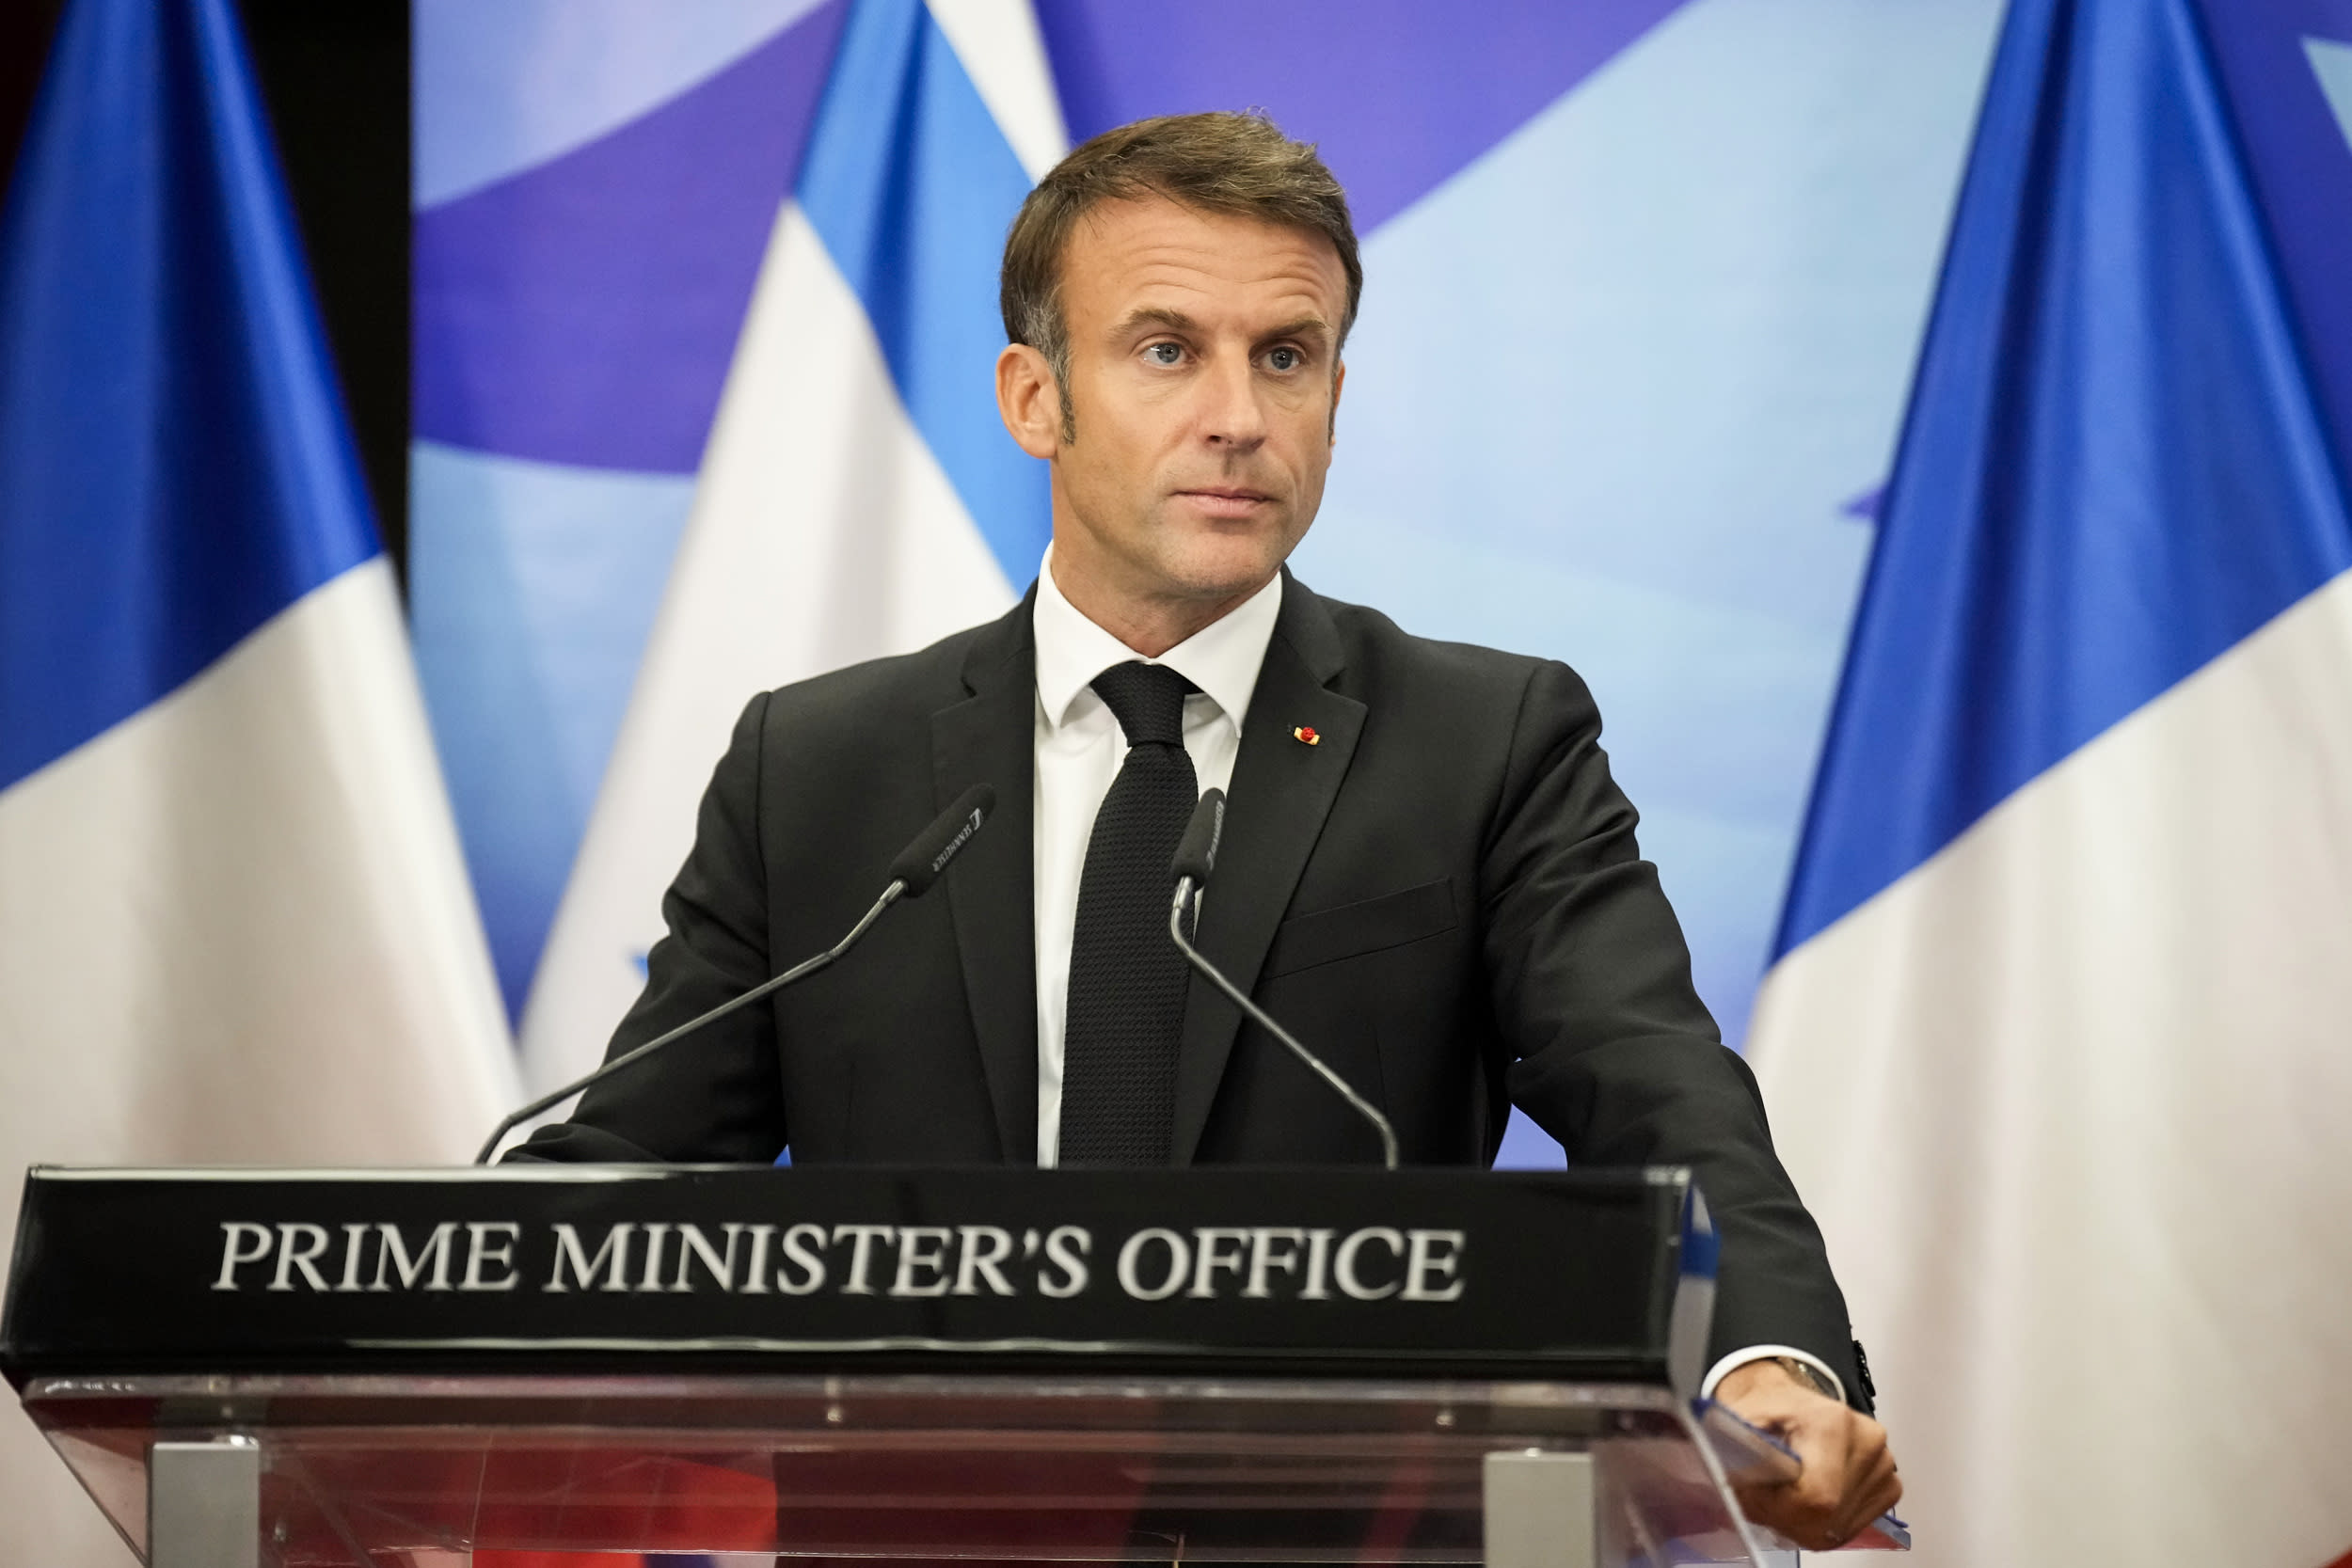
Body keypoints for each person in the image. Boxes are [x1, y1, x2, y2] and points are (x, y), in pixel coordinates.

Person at [514, 111, 1900, 1548]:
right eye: (1167, 349)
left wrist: (1767, 1361)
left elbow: (1659, 1086)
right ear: (1033, 398)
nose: (1239, 415)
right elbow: (631, 1177)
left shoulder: (1487, 744)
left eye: (1285, 357)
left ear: (1336, 397)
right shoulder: (817, 769)